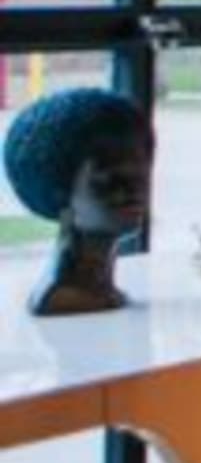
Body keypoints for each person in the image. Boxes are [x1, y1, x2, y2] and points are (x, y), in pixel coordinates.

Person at [7, 85, 155, 317]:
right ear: (59, 190)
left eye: (140, 173)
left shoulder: (103, 290)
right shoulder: (60, 298)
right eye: (110, 177)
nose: (134, 190)